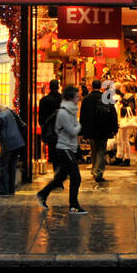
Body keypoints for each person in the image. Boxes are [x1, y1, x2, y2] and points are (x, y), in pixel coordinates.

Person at [36, 86, 86, 214]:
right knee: (76, 177)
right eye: (76, 96)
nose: (78, 98)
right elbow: (72, 131)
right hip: (64, 148)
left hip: (67, 148)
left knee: (61, 177)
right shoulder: (64, 113)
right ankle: (73, 206)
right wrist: (79, 126)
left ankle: (42, 194)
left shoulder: (69, 111)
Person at [0, 97, 25, 197]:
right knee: (12, 167)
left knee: (3, 167)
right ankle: (11, 189)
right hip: (18, 142)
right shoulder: (8, 110)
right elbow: (21, 123)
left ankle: (4, 190)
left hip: (7, 144)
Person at [80, 79, 111, 184]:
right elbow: (112, 114)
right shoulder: (105, 98)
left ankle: (95, 169)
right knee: (101, 150)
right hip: (103, 128)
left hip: (91, 129)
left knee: (94, 150)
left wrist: (82, 130)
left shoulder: (86, 99)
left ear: (91, 86)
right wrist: (113, 128)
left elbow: (82, 116)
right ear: (100, 86)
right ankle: (97, 171)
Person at [38, 78, 62, 168]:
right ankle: (60, 173)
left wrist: (44, 128)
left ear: (49, 87)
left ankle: (56, 172)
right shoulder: (63, 99)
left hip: (50, 131)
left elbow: (41, 118)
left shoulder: (44, 100)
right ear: (58, 87)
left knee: (53, 153)